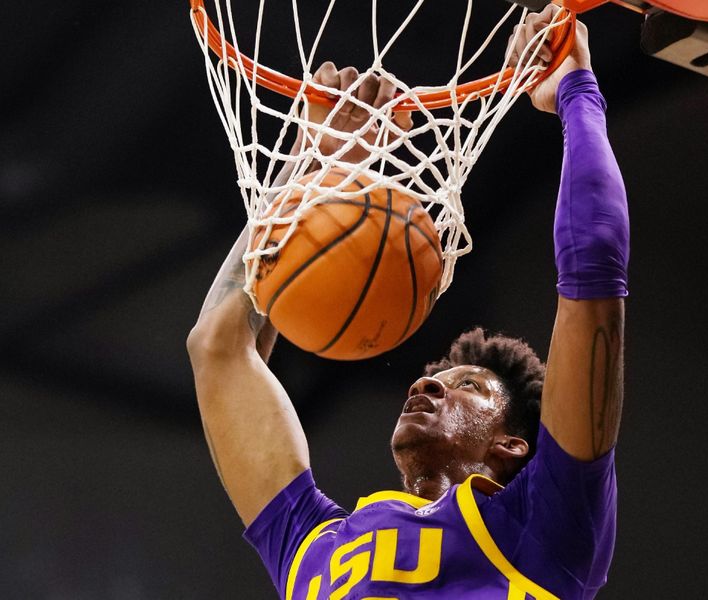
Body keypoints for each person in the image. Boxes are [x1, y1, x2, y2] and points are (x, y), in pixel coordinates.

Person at [187, 5, 628, 599]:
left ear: (512, 446)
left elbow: (594, 267)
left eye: (468, 386)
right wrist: (317, 169)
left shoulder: (545, 528)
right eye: (439, 379)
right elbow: (217, 349)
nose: (426, 386)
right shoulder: (318, 547)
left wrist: (577, 94)